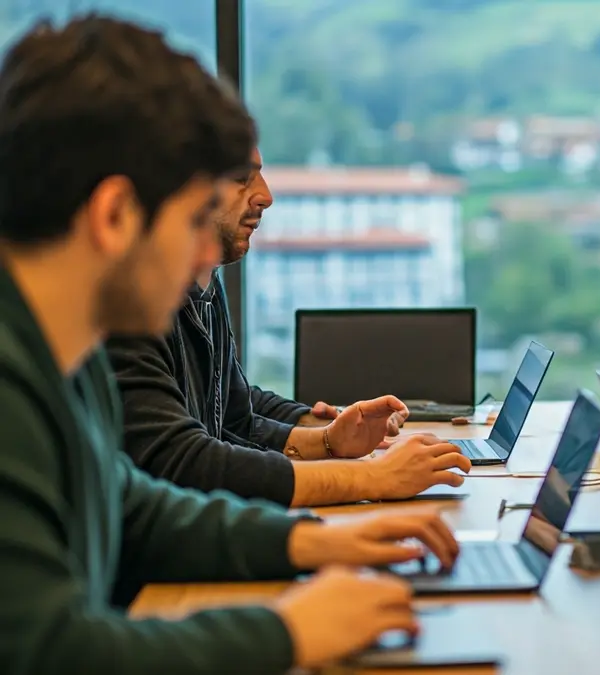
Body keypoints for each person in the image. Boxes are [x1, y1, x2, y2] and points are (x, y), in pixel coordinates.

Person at [0, 15, 470, 673]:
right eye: (196, 219)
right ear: (114, 216)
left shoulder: (64, 359)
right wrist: (286, 632)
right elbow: (49, 652)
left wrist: (312, 541)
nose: (204, 256)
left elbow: (131, 509)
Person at [105, 146, 470, 508]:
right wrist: (371, 477)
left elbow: (233, 416)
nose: (266, 196)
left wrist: (327, 440)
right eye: (241, 177)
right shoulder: (128, 306)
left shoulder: (205, 285)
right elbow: (183, 462)